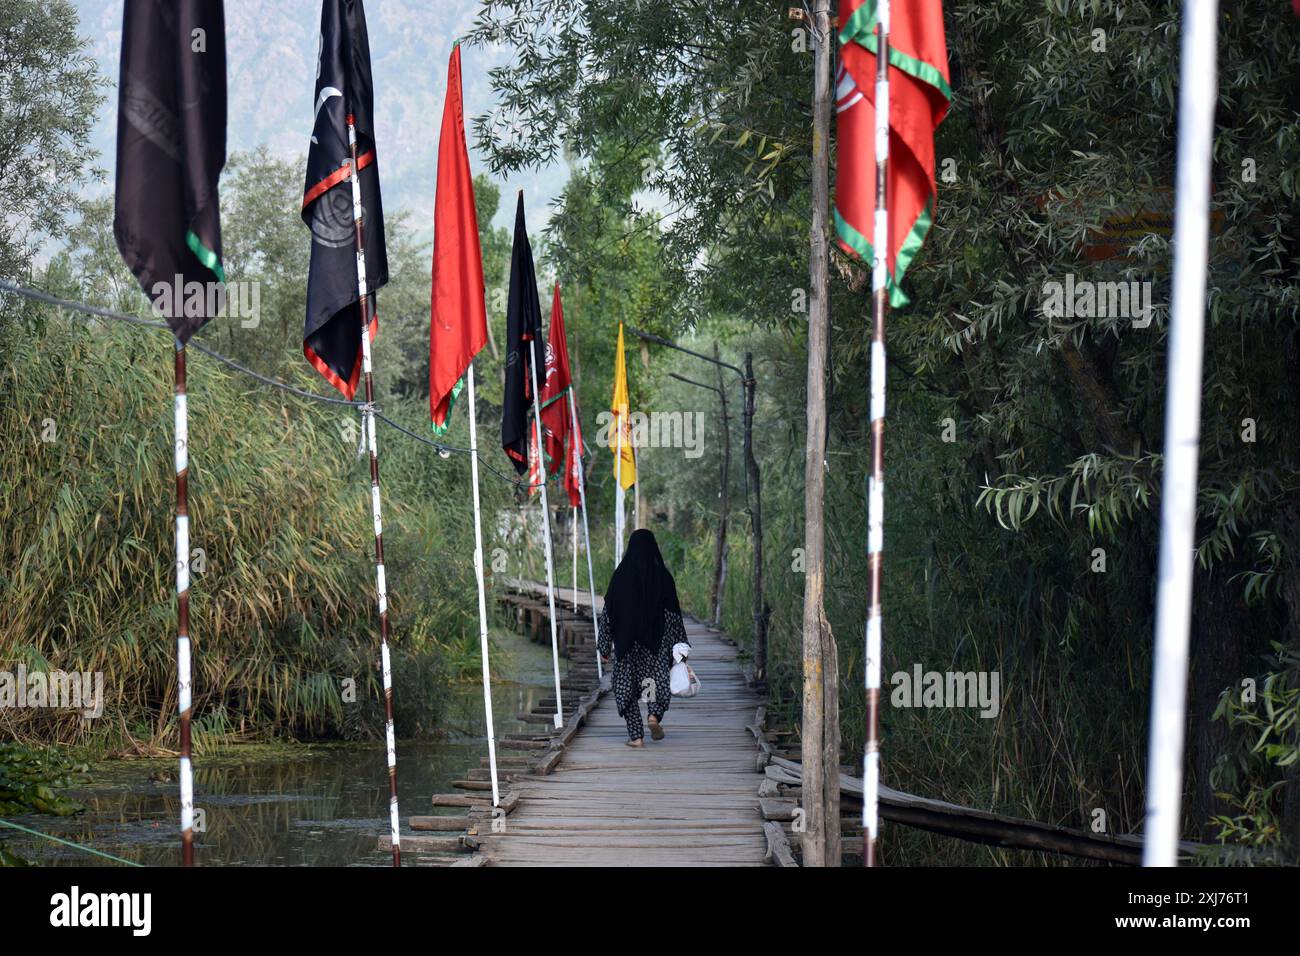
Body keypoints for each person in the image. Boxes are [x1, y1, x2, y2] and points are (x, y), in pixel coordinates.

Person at [596, 529, 690, 747]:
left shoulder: (620, 576)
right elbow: (674, 615)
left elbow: (608, 613)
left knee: (624, 686)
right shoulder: (663, 577)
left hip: (627, 644)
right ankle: (653, 716)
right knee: (654, 682)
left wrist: (604, 647)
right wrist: (681, 646)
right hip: (656, 644)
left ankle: (636, 736)